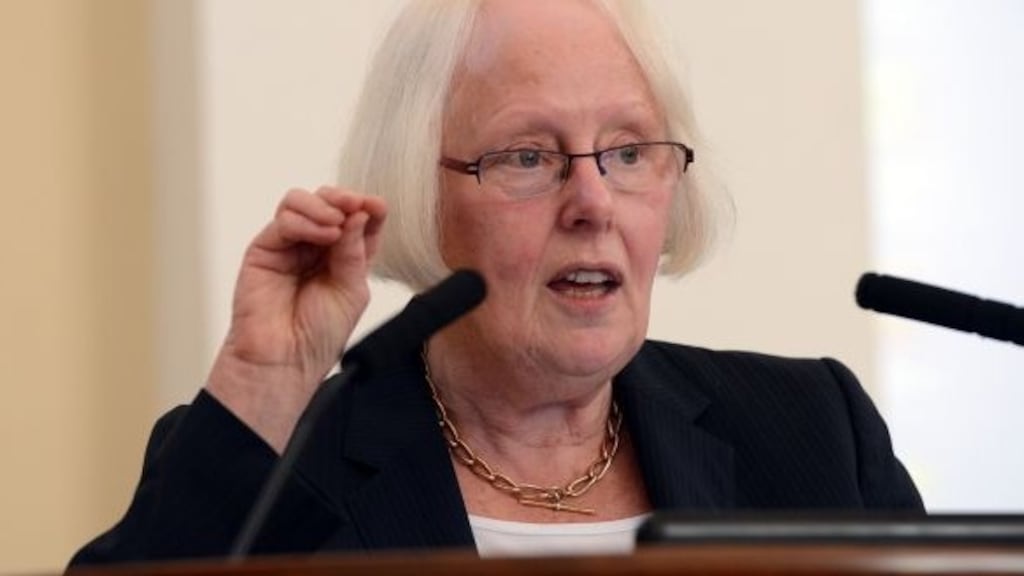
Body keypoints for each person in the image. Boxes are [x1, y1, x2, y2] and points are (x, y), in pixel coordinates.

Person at [70, 0, 922, 564]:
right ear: (418, 189)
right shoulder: (282, 466)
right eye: (528, 156)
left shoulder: (814, 432)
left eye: (628, 151)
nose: (593, 202)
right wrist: (262, 388)